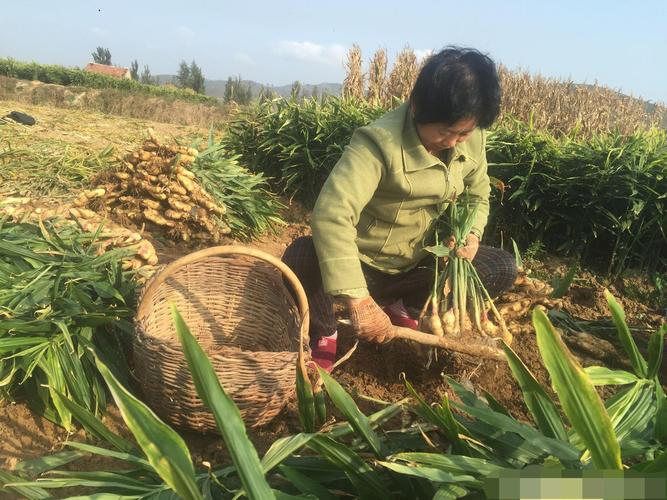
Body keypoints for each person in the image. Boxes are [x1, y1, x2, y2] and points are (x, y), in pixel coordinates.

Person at [282, 47, 517, 371]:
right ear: (418, 107)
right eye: (446, 131)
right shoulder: (378, 144)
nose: (454, 141)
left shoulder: (471, 139)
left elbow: (478, 194)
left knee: (502, 266)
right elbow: (331, 214)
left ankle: (408, 307)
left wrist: (472, 235)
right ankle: (324, 332)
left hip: (417, 264)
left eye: (464, 132)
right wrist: (359, 300)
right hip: (364, 263)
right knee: (300, 257)